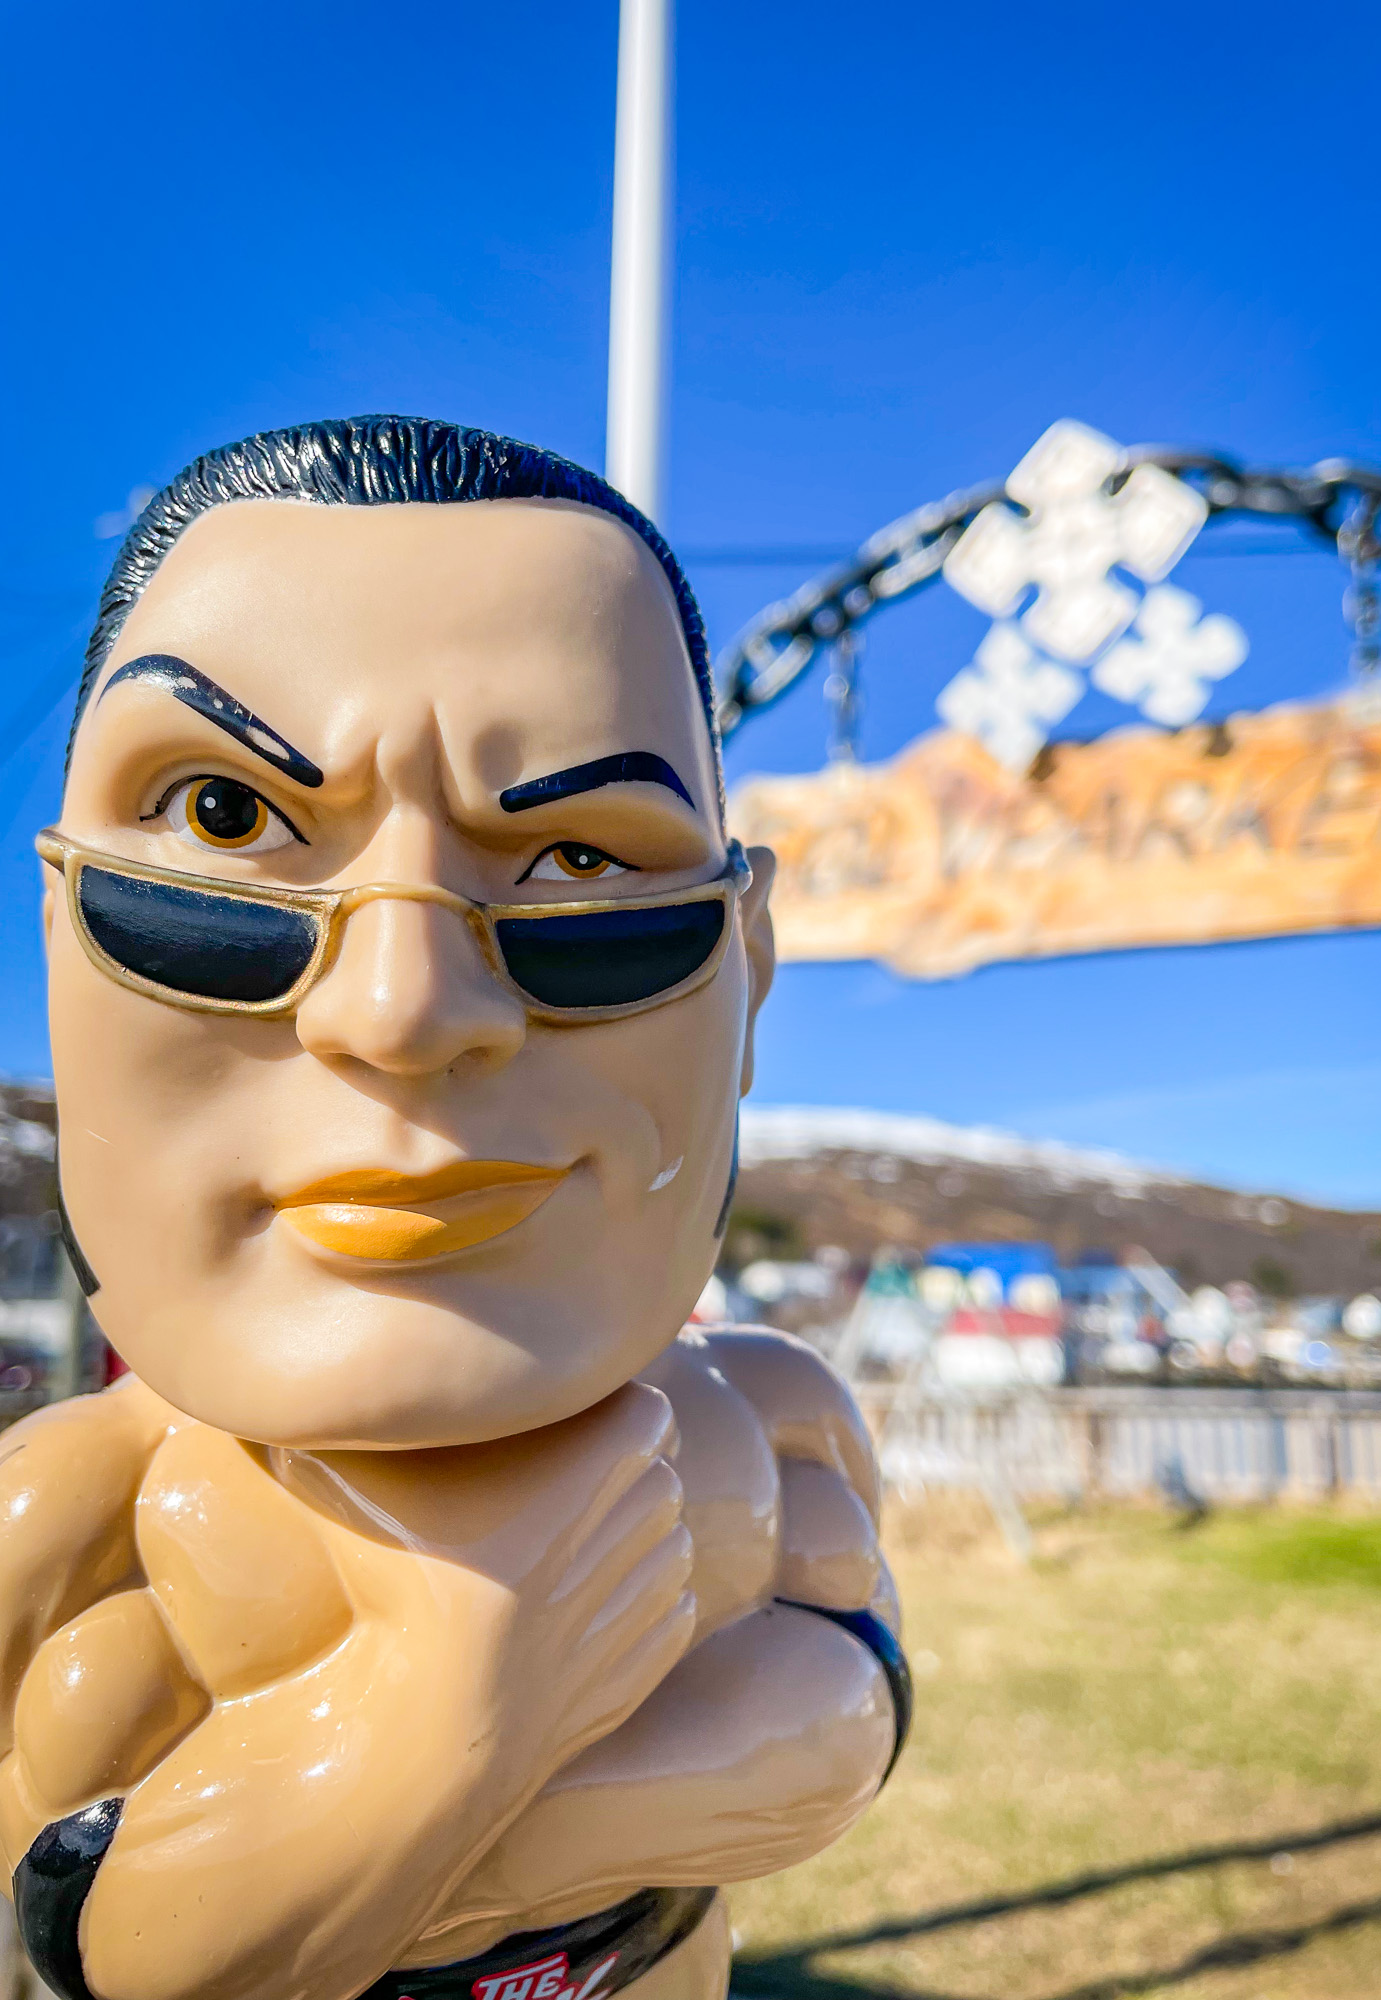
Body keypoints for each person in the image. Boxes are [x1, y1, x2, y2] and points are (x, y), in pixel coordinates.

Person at [0, 419, 909, 2000]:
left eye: (577, 854)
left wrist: (464, 1822)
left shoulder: (775, 1419)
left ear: (746, 965)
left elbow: (849, 1717)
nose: (403, 1006)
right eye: (222, 816)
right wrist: (459, 1705)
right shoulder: (68, 1518)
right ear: (59, 921)